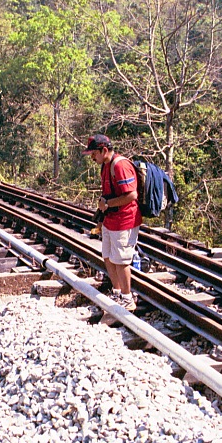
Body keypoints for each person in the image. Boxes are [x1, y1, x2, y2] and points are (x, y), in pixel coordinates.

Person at [82, 134, 141, 312]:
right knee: (108, 256)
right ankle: (117, 292)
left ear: (104, 150)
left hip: (125, 220)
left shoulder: (120, 165)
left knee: (121, 260)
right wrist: (101, 219)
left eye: (94, 154)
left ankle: (127, 298)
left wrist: (107, 205)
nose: (92, 158)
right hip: (110, 219)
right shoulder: (105, 166)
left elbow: (132, 195)